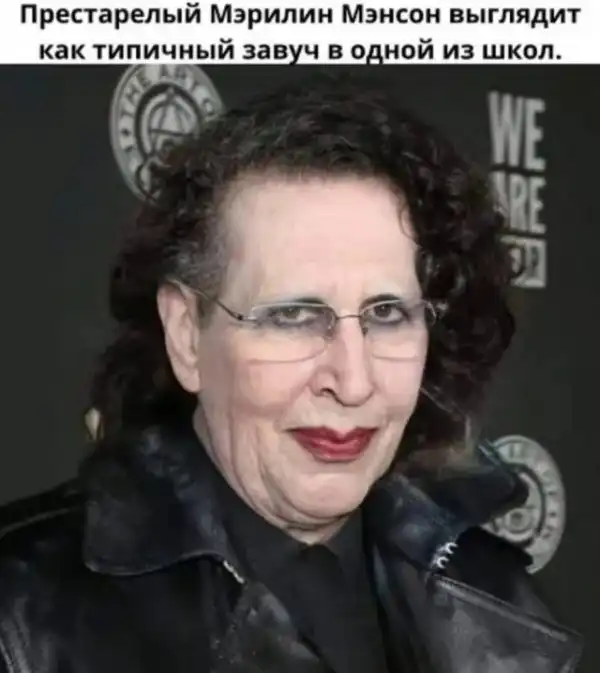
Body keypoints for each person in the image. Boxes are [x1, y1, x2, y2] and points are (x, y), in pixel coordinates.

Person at [0, 73, 581, 673]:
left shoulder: (494, 596)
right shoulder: (24, 614)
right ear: (187, 335)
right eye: (294, 316)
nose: (352, 382)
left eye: (387, 314)